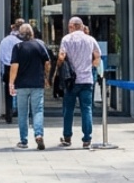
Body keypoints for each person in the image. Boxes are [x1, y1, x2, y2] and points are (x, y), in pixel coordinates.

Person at [57, 17, 102, 148]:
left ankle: (67, 136)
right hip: (87, 79)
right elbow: (97, 56)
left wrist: (60, 65)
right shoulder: (90, 39)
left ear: (71, 27)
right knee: (86, 109)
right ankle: (87, 139)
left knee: (68, 109)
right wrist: (92, 66)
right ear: (81, 26)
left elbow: (61, 56)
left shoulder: (66, 39)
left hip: (71, 80)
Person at [8, 23, 51, 150]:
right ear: (32, 33)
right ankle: (38, 134)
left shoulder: (18, 47)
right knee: (37, 110)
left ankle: (23, 140)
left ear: (20, 35)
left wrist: (11, 83)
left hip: (21, 85)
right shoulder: (39, 45)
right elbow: (47, 62)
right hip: (37, 83)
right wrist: (46, 77)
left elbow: (14, 66)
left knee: (23, 113)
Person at [0, 19, 23, 124]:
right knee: (22, 92)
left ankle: (9, 115)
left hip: (7, 68)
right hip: (19, 68)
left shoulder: (5, 40)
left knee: (9, 93)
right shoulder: (21, 41)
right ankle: (21, 114)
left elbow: (0, 57)